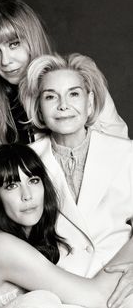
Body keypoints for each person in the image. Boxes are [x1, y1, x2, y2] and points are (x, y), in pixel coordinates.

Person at [0, 0, 129, 307]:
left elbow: (116, 161)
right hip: (21, 237)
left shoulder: (72, 81)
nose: (5, 60)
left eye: (13, 44)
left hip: (86, 244)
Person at [0, 142, 124, 308]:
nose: (27, 195)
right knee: (42, 301)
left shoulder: (24, 236)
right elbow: (98, 296)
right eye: (11, 186)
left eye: (33, 181)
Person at [19, 52, 133, 307]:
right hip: (57, 286)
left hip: (119, 281)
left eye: (73, 94)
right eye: (50, 96)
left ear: (90, 102)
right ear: (38, 106)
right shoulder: (23, 161)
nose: (63, 105)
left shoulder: (127, 153)